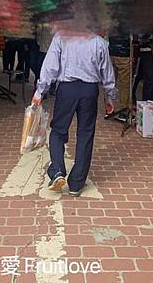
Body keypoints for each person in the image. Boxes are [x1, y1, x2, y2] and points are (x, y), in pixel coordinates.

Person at [32, 27, 116, 196]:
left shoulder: (61, 37)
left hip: (67, 90)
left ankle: (57, 171)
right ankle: (76, 183)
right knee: (85, 133)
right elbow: (107, 72)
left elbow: (50, 67)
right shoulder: (99, 42)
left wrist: (40, 91)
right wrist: (110, 97)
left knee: (58, 130)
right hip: (90, 91)